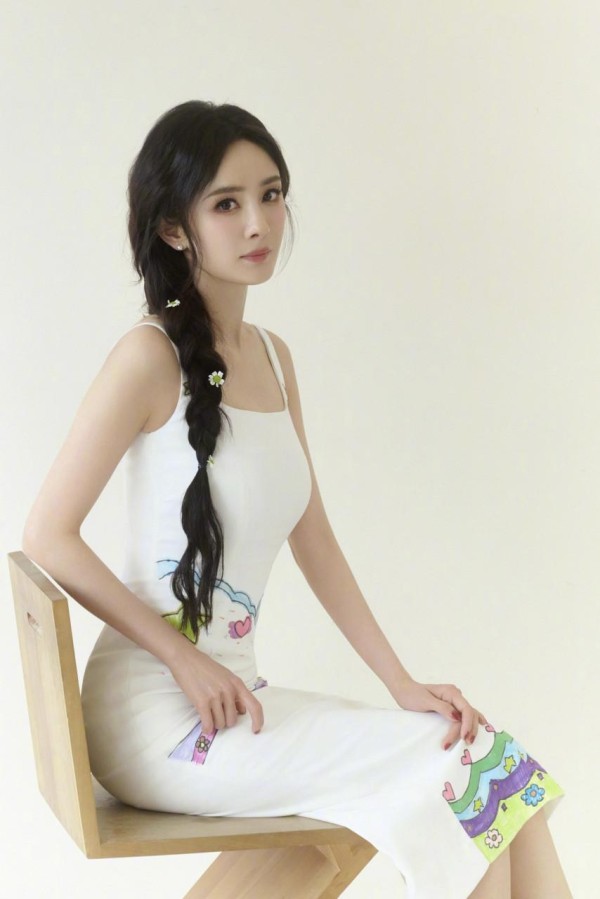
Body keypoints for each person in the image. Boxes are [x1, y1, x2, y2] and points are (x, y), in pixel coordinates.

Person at [22, 100, 571, 898]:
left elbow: (315, 538)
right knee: (456, 781)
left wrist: (401, 682)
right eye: (226, 203)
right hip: (156, 720)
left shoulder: (274, 359)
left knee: (494, 765)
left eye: (271, 194)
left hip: (242, 703)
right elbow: (48, 533)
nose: (259, 222)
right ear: (174, 228)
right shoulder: (147, 358)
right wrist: (182, 657)